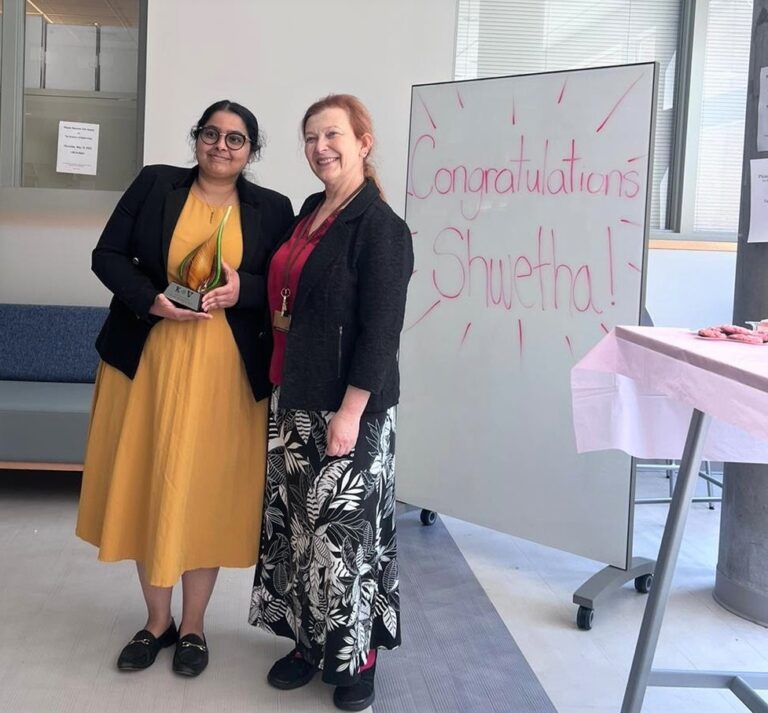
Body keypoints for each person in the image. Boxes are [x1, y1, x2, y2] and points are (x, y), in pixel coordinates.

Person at [76, 100, 293, 678]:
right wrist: (150, 299)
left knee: (204, 492)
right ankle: (157, 622)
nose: (222, 146)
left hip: (227, 375)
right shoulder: (155, 184)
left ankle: (193, 626)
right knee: (150, 480)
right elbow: (107, 255)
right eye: (211, 134)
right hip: (148, 363)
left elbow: (284, 285)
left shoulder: (273, 209)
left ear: (251, 151)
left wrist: (243, 291)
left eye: (236, 138)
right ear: (197, 139)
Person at [249, 94, 413, 711]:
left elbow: (381, 333)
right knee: (298, 531)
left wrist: (349, 413)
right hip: (294, 395)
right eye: (311, 137)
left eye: (333, 135)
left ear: (363, 142)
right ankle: (307, 643)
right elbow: (289, 293)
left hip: (350, 410)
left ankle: (357, 661)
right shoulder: (310, 212)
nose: (320, 147)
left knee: (344, 543)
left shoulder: (381, 228)